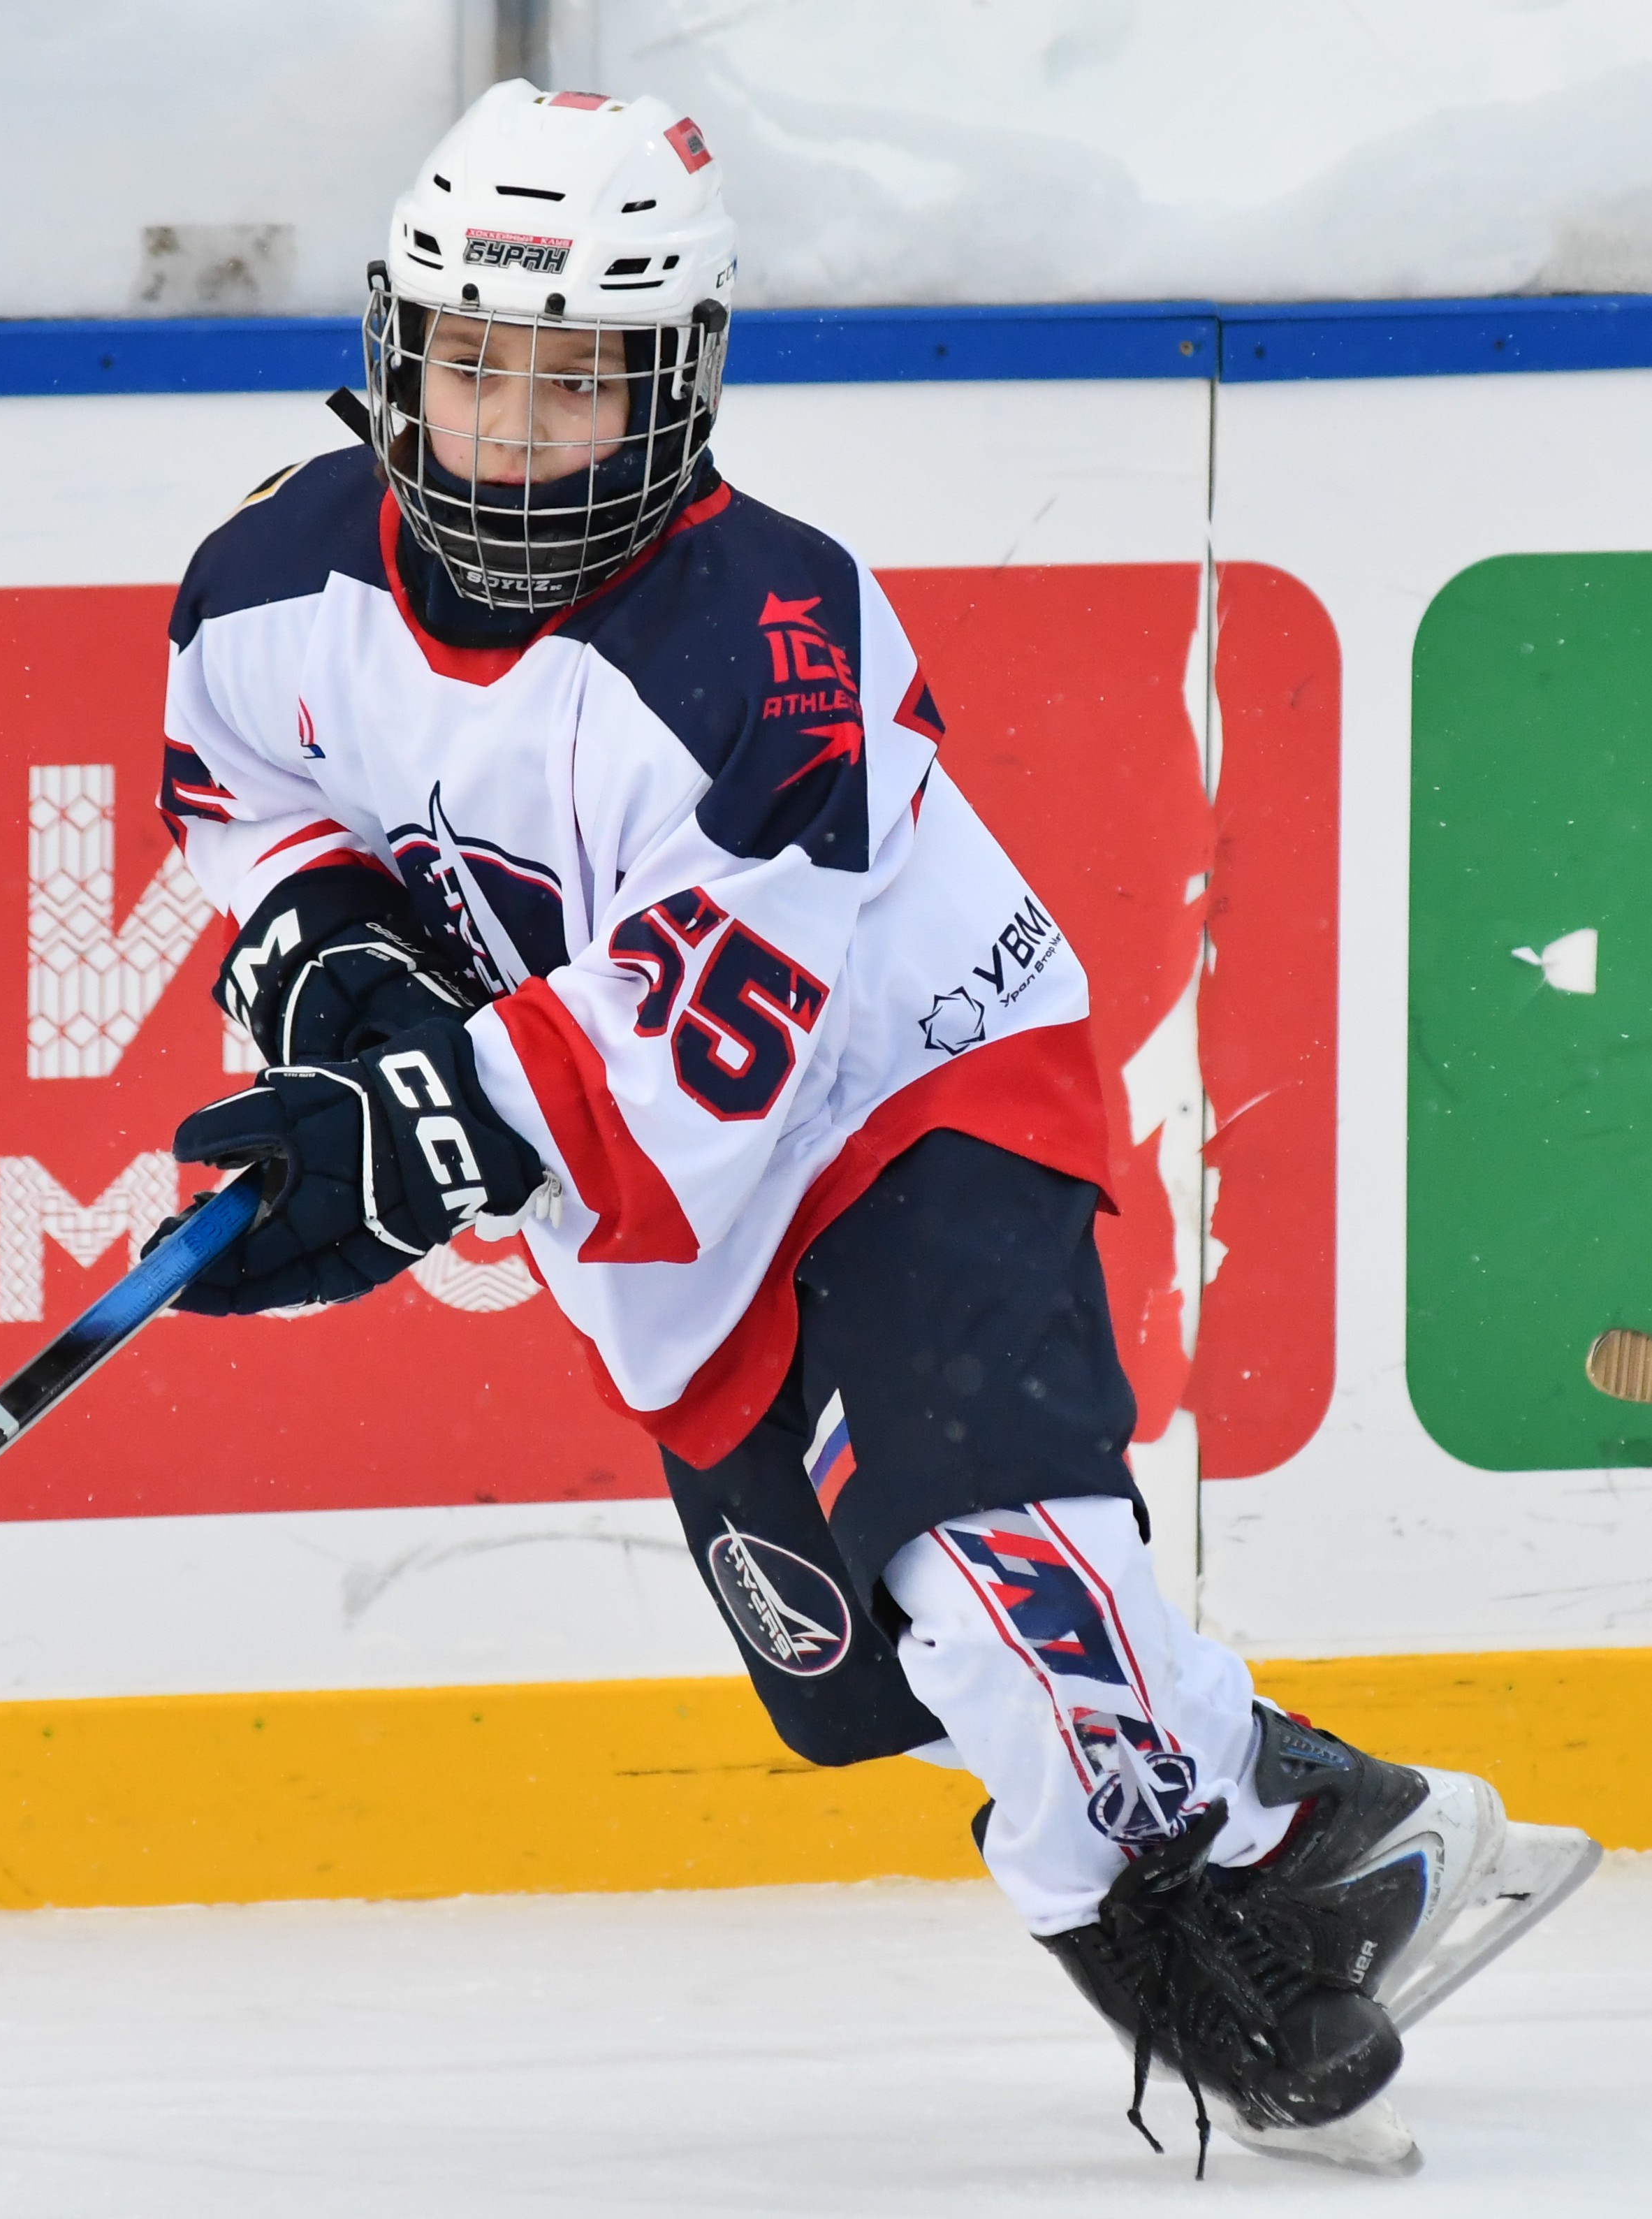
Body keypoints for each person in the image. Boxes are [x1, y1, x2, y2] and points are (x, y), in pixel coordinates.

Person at [146, 80, 1595, 2175]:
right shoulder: (265, 580)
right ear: (399, 350)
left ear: (677, 386)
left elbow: (703, 1049)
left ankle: (1174, 1898)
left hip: (907, 1093)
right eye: (473, 368)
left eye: (576, 384)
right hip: (656, 1212)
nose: (514, 432)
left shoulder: (769, 636)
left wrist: (422, 1136)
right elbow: (249, 801)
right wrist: (341, 976)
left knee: (984, 1564)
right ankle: (1316, 1821)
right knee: (863, 1673)